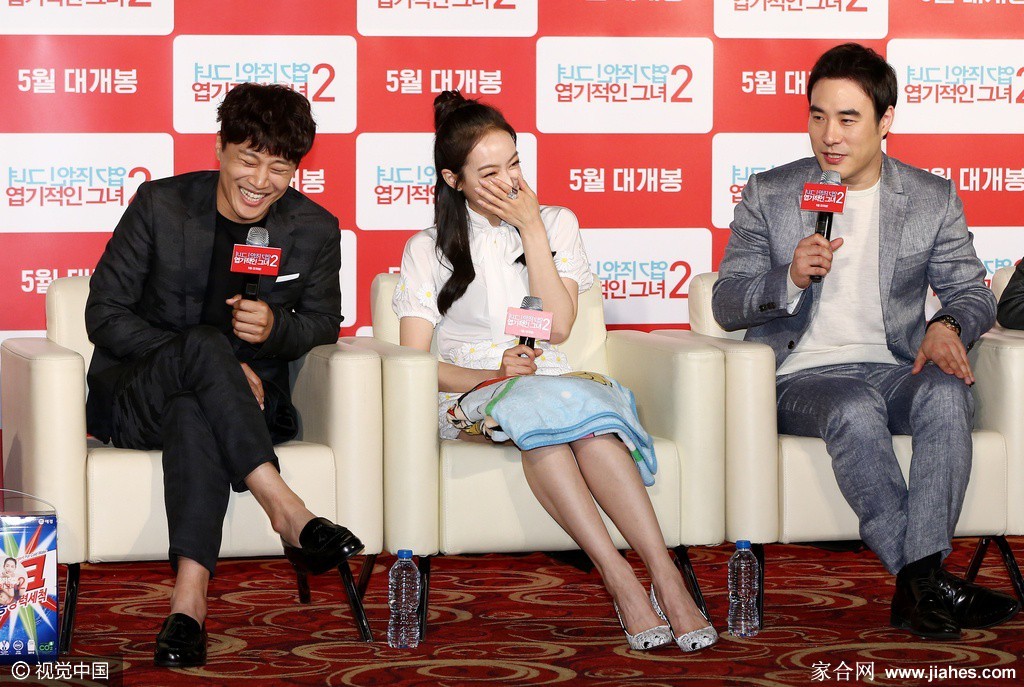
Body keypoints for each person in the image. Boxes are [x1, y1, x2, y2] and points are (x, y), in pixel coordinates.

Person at [712, 43, 1019, 639]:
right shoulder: (771, 194)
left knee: (947, 393)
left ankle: (918, 584)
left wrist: (947, 325)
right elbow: (726, 303)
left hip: (895, 368)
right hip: (799, 377)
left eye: (848, 119)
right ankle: (928, 582)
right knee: (854, 405)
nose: (829, 136)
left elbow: (971, 292)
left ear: (885, 121)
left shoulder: (930, 197)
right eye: (818, 116)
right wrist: (788, 278)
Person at [393, 90, 716, 653]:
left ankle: (665, 574)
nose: (510, 182)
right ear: (453, 180)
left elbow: (560, 325)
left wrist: (532, 231)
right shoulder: (427, 249)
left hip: (547, 379)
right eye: (489, 174)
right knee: (543, 414)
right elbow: (412, 365)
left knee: (580, 422)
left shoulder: (556, 223)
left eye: (514, 164)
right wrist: (490, 377)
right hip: (471, 392)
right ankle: (619, 578)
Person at [85, 83, 363, 668]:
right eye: (248, 160)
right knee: (203, 348)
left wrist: (277, 328)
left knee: (196, 409)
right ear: (220, 148)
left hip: (244, 413)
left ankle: (188, 606)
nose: (260, 181)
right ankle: (285, 507)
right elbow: (103, 314)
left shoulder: (313, 228)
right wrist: (212, 359)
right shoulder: (161, 206)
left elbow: (322, 323)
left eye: (279, 169)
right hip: (139, 396)